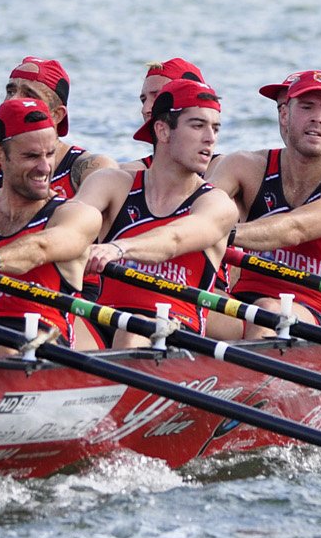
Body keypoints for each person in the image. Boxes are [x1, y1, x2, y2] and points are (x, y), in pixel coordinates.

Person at [208, 70, 321, 336]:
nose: (318, 118)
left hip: (310, 315)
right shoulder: (244, 167)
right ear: (284, 114)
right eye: (307, 107)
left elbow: (295, 228)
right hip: (241, 307)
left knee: (269, 312)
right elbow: (195, 213)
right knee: (173, 304)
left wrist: (215, 233)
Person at [73, 80, 237, 348]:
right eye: (198, 126)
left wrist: (119, 248)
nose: (211, 138)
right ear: (162, 130)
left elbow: (174, 240)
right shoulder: (111, 184)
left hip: (175, 329)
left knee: (133, 331)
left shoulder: (217, 204)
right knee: (42, 325)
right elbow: (70, 226)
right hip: (105, 321)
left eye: (215, 128)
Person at [0, 98, 102, 356]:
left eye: (49, 154)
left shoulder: (76, 215)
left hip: (43, 337)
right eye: (31, 156)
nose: (44, 167)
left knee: (8, 349)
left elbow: (42, 246)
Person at [0, 57, 117, 198]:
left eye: (29, 95)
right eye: (11, 92)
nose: (13, 100)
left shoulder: (91, 168)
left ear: (57, 115)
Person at [120, 57, 205, 171]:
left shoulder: (227, 167)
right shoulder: (128, 173)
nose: (145, 109)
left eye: (158, 96)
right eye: (143, 100)